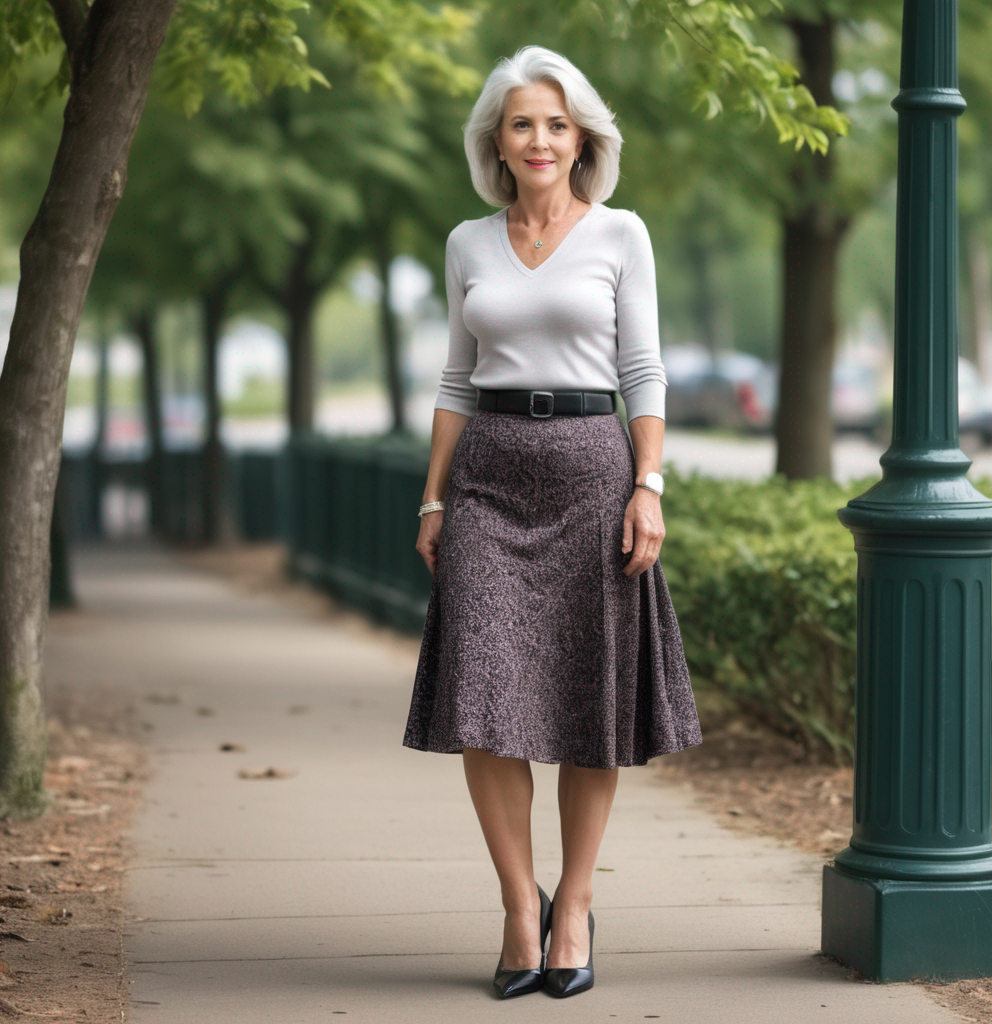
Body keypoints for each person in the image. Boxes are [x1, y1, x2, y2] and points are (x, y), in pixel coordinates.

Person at [402, 44, 702, 1000]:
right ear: (497, 138)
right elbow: (454, 378)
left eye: (558, 125)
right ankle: (514, 906)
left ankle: (571, 904)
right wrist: (435, 496)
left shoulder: (621, 236)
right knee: (484, 698)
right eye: (523, 122)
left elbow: (643, 373)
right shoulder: (466, 244)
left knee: (586, 703)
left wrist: (648, 484)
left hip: (590, 477)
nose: (540, 140)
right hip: (488, 478)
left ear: (583, 141)